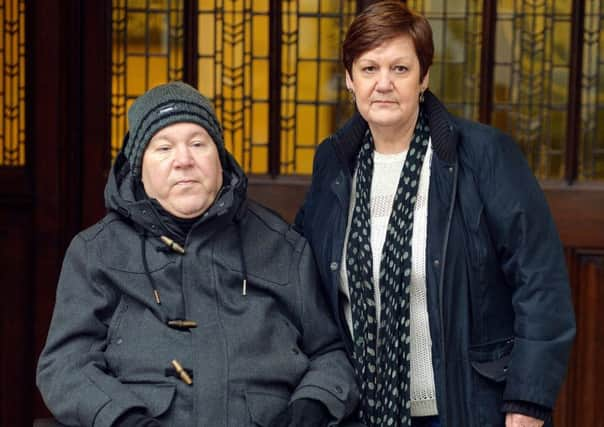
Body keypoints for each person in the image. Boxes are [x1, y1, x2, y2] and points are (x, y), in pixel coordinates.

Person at [293, 2, 576, 427]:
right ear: (350, 79)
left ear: (424, 77)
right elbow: (304, 276)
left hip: (467, 407)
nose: (383, 84)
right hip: (361, 411)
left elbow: (540, 280)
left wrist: (528, 399)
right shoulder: (335, 164)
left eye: (400, 69)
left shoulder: (483, 155)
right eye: (369, 69)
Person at [36, 82, 359, 427]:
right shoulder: (97, 252)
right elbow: (65, 365)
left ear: (220, 159)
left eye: (198, 144)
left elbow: (331, 353)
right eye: (163, 148)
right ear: (138, 169)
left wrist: (309, 407)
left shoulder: (282, 244)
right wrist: (123, 419)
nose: (184, 161)